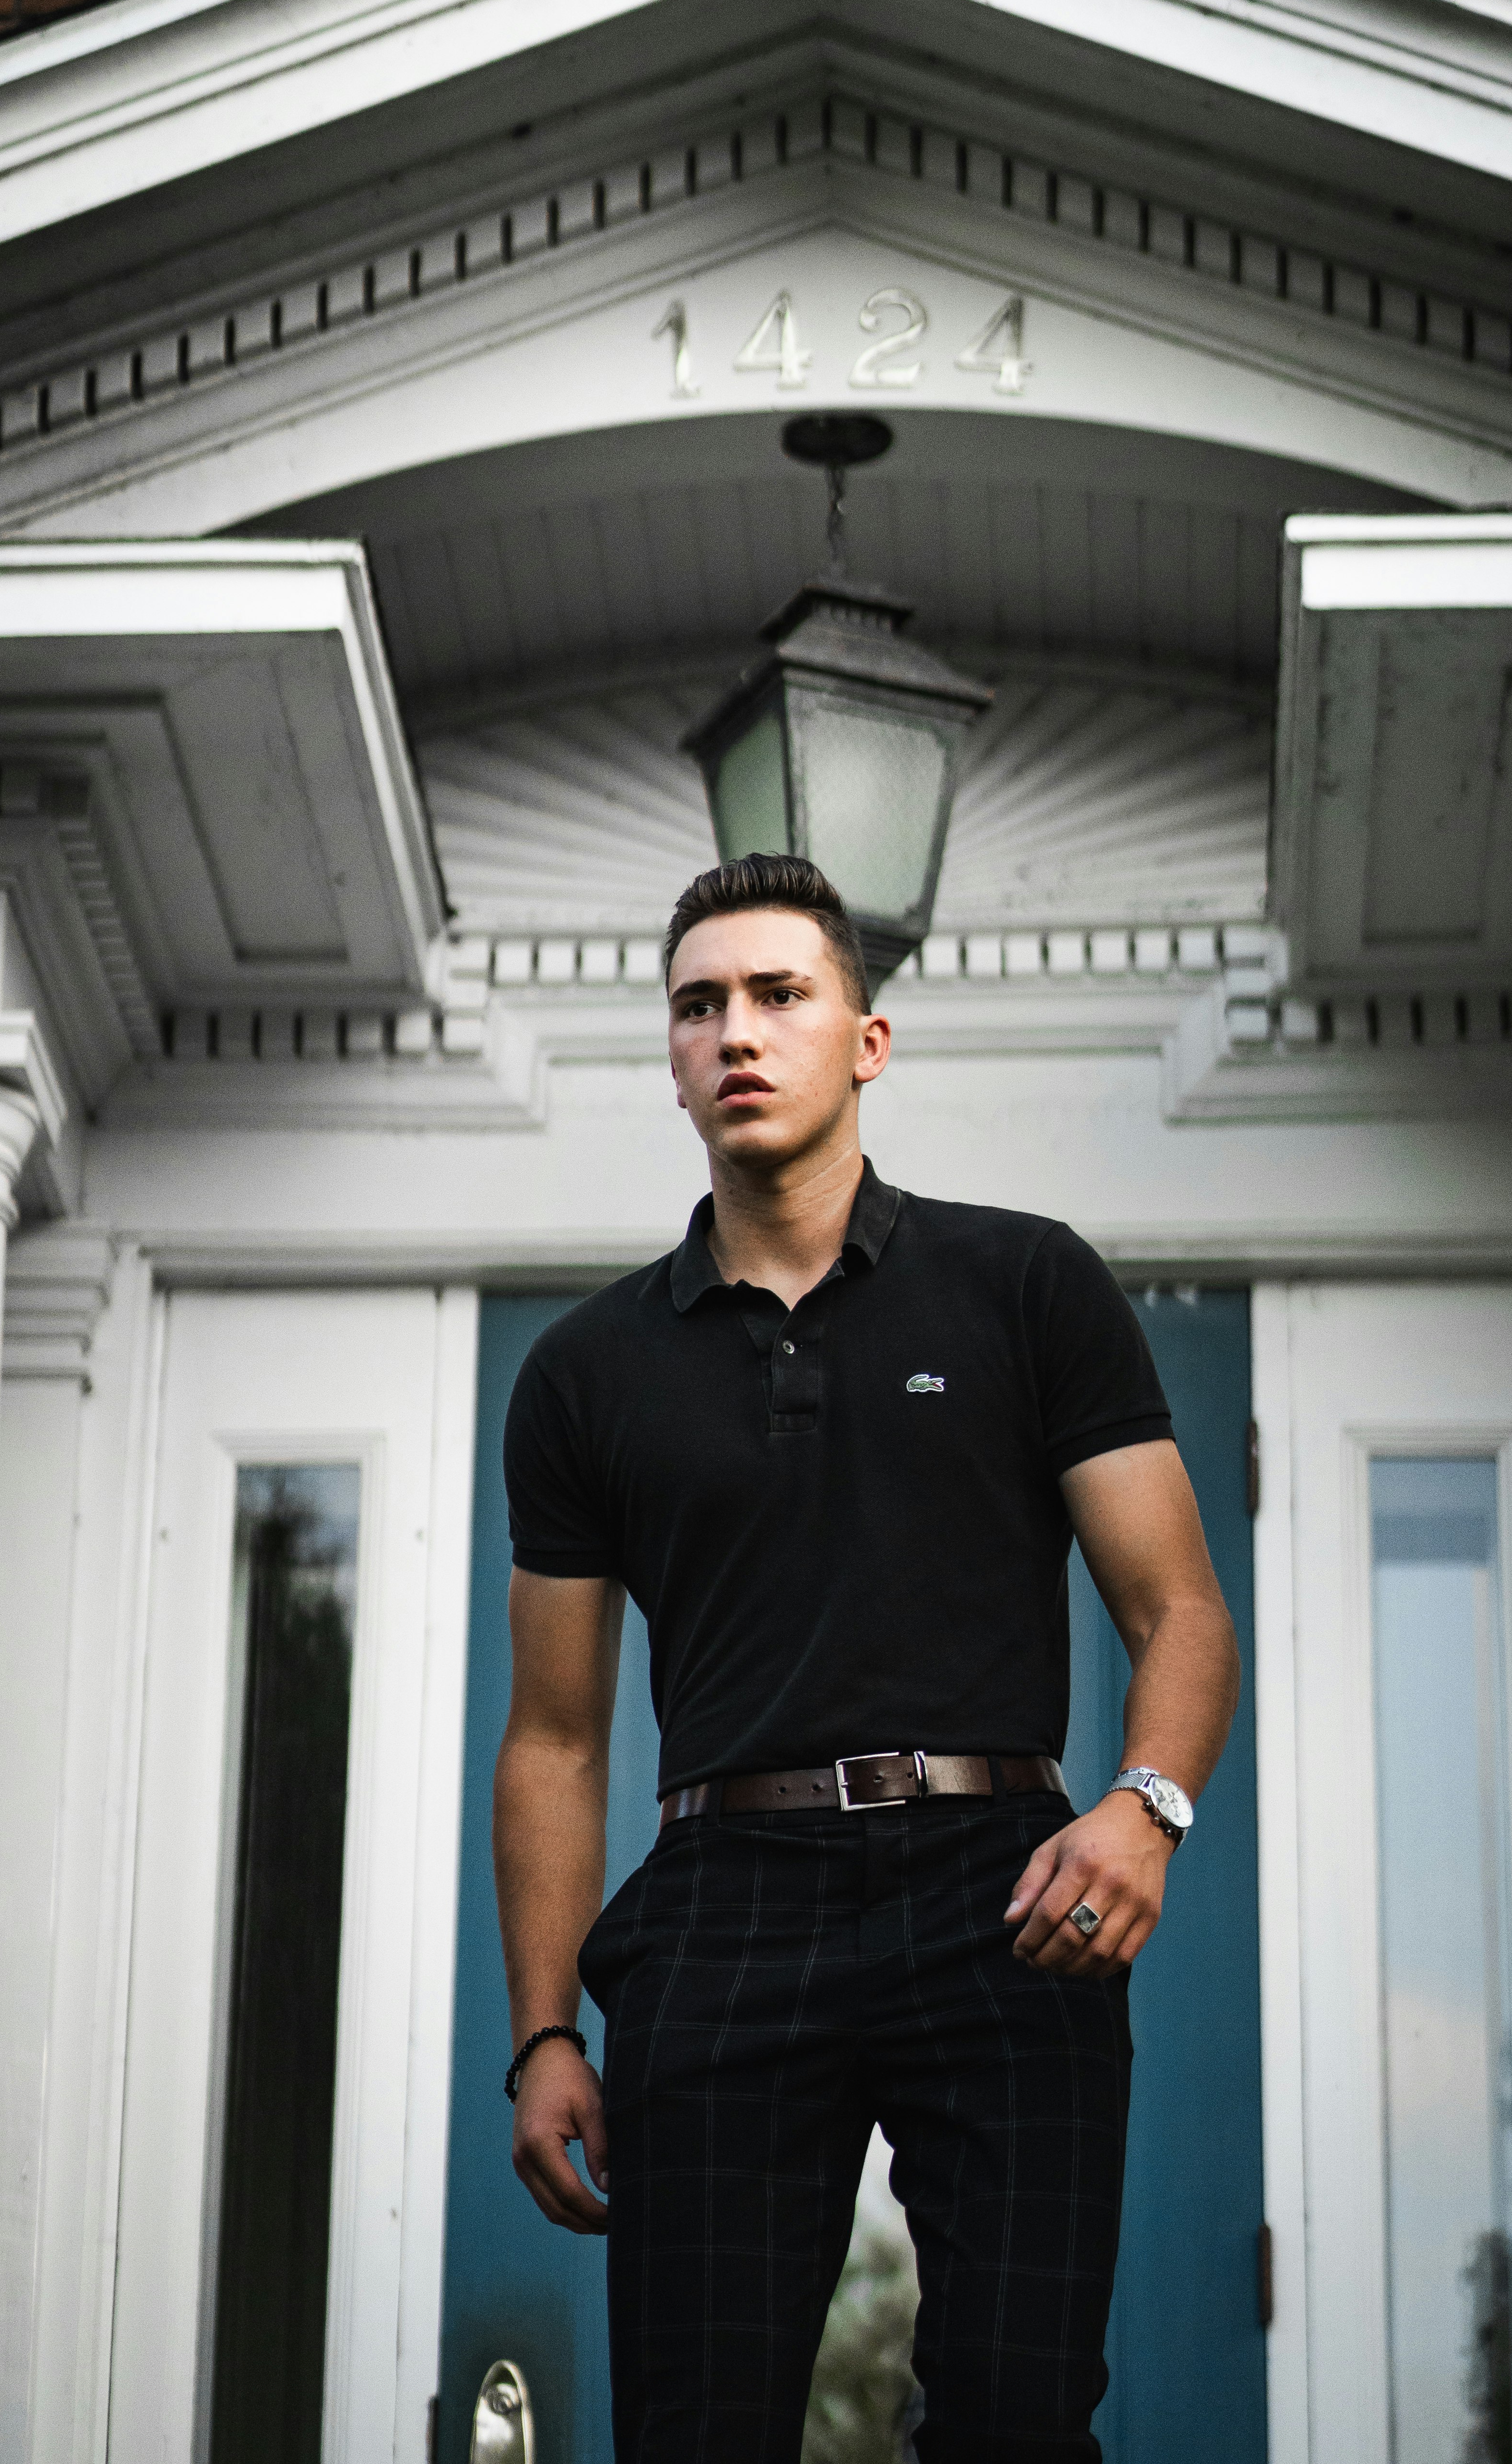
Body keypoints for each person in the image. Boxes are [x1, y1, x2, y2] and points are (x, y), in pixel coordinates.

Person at [495, 852, 1240, 2464]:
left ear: (867, 1041)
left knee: (1021, 2419)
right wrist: (546, 2032)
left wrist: (1145, 1811)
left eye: (781, 995)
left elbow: (1179, 1609)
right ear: (673, 1059)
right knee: (698, 2428)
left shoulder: (1026, 1284)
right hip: (723, 1905)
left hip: (1005, 1894)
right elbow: (554, 1739)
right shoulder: (582, 1374)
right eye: (702, 1006)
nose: (738, 1033)